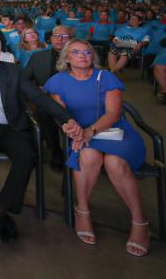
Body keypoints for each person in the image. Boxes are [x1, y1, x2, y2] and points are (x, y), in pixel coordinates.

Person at [0, 34, 82, 242]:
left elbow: (38, 97)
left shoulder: (12, 72)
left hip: (11, 127)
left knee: (27, 156)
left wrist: (67, 118)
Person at [44, 39, 149, 257]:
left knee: (114, 162)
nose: (83, 56)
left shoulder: (106, 77)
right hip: (80, 134)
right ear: (66, 58)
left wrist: (90, 131)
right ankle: (82, 210)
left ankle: (139, 221)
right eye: (76, 52)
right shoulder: (57, 81)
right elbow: (61, 114)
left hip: (113, 132)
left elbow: (113, 113)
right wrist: (73, 130)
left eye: (87, 52)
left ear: (93, 56)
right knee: (88, 156)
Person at [22, 25, 73, 171]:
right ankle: (55, 151)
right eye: (56, 35)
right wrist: (36, 91)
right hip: (46, 100)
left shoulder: (78, 56)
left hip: (73, 99)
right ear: (51, 38)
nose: (60, 39)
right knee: (44, 111)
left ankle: (77, 149)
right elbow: (24, 80)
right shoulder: (38, 57)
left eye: (64, 36)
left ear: (71, 39)